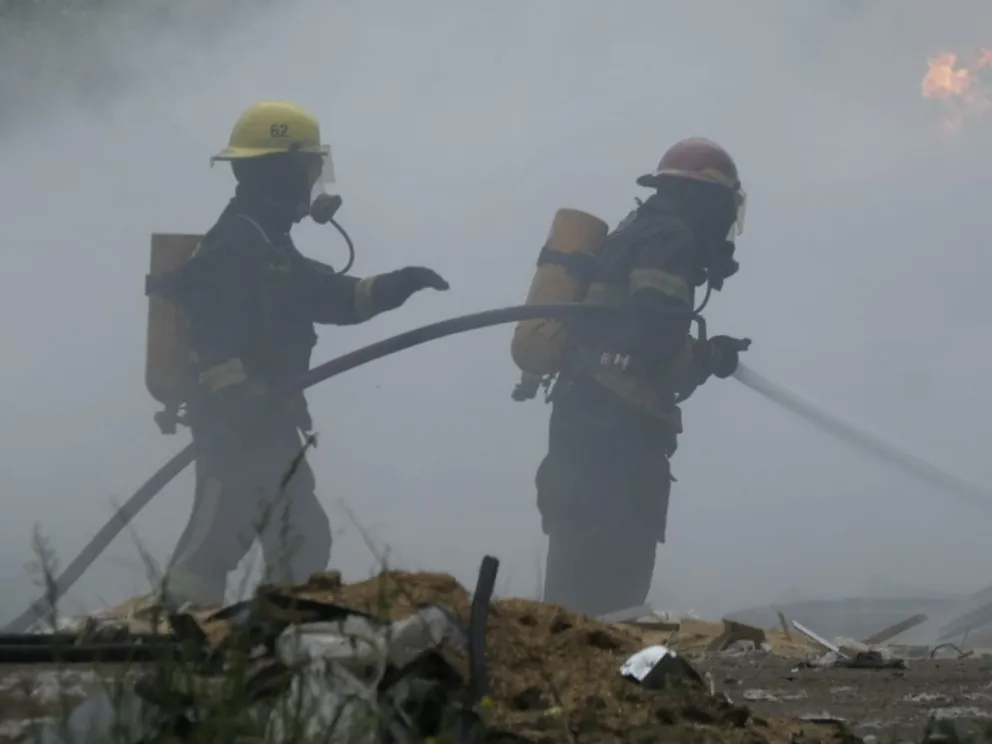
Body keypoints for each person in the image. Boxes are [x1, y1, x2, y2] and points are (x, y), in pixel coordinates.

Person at [159, 100, 449, 607]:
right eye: (308, 169)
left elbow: (331, 296)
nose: (312, 183)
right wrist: (237, 396)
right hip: (234, 427)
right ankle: (171, 631)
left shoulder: (270, 245)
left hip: (269, 422)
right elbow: (213, 331)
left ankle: (280, 631)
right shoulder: (233, 244)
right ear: (281, 172)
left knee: (302, 536)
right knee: (215, 537)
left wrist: (397, 285)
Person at [536, 137, 751, 616]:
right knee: (615, 590)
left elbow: (633, 328)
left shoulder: (639, 228)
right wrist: (708, 359)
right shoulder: (671, 238)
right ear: (708, 201)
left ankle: (559, 660)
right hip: (618, 434)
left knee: (570, 586)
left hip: (583, 421)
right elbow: (655, 337)